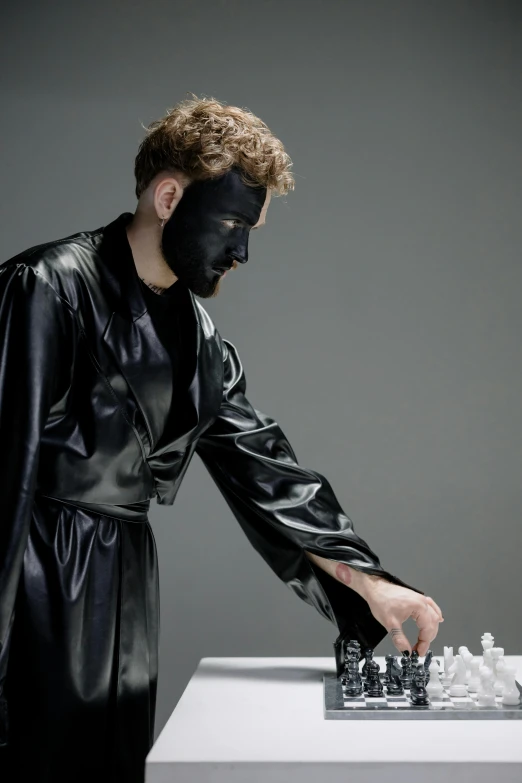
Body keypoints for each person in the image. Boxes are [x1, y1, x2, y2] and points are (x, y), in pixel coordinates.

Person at [0, 95, 443, 783]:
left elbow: (266, 472)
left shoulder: (200, 340)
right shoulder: (47, 288)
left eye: (252, 230)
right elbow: (4, 481)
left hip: (124, 584)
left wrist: (374, 584)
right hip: (35, 580)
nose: (241, 252)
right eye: (234, 223)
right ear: (169, 196)